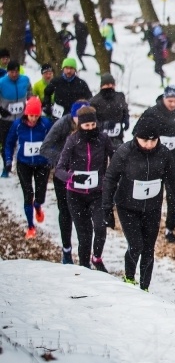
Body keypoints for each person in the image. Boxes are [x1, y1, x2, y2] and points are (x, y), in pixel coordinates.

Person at [103, 115, 175, 291]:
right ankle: (129, 278)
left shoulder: (164, 154)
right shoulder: (125, 152)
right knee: (136, 245)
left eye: (153, 141)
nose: (148, 145)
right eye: (144, 140)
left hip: (152, 208)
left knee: (148, 248)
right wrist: (107, 207)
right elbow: (110, 178)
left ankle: (144, 287)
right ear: (136, 137)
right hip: (127, 207)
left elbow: (173, 180)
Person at [56, 106, 115, 270]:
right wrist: (73, 177)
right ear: (80, 125)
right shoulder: (72, 140)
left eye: (92, 125)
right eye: (86, 126)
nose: (90, 128)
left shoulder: (103, 139)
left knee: (100, 227)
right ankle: (84, 267)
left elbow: (115, 158)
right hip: (75, 194)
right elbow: (59, 169)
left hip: (97, 192)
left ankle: (96, 258)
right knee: (85, 234)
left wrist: (109, 177)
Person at [139, 84, 175, 243]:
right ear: (164, 98)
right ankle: (147, 224)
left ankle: (170, 228)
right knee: (153, 193)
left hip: (173, 160)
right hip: (154, 158)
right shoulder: (152, 112)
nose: (173, 104)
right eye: (170, 100)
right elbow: (138, 132)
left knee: (173, 193)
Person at [42, 100, 91, 264]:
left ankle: (85, 254)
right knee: (65, 212)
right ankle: (66, 250)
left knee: (84, 214)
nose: (83, 122)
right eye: (79, 118)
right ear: (73, 116)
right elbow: (45, 147)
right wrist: (64, 161)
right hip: (63, 175)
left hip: (84, 177)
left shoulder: (91, 126)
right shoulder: (62, 124)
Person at [3, 97, 52, 239]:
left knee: (40, 195)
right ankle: (31, 226)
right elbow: (9, 143)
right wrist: (8, 160)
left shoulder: (45, 124)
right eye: (31, 115)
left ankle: (38, 205)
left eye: (37, 116)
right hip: (23, 163)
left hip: (42, 164)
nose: (34, 119)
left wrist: (51, 158)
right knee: (27, 194)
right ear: (26, 113)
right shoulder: (17, 125)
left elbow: (53, 141)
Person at [0, 60, 32, 175]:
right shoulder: (1, 82)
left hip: (22, 118)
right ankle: (6, 166)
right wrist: (1, 110)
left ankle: (22, 166)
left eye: (16, 72)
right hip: (6, 119)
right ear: (8, 71)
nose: (14, 74)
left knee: (23, 142)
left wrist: (30, 101)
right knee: (6, 143)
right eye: (11, 72)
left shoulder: (25, 80)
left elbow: (29, 92)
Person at [90, 74, 129, 150]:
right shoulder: (94, 101)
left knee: (118, 156)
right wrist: (104, 125)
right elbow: (92, 120)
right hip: (101, 136)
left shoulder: (120, 96)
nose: (110, 86)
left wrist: (126, 119)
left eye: (112, 84)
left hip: (118, 136)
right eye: (107, 84)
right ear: (102, 86)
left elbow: (125, 109)